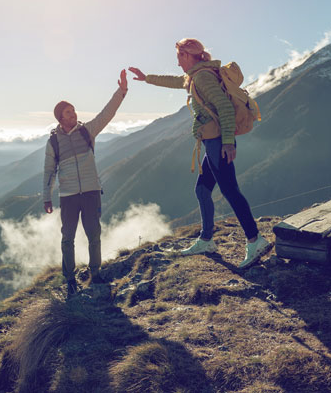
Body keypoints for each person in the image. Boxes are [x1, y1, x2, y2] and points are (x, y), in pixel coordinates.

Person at [128, 38, 270, 269]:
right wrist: (147, 78)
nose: (177, 64)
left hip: (217, 142)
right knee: (202, 190)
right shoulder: (198, 74)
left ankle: (255, 240)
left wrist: (227, 143)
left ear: (186, 56)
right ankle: (206, 240)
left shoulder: (202, 77)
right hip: (213, 140)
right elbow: (176, 81)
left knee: (230, 190)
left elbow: (224, 107)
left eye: (178, 58)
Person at [43, 69, 128, 296]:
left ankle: (95, 273)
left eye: (73, 111)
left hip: (90, 191)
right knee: (67, 238)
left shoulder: (86, 131)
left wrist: (121, 91)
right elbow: (49, 171)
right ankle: (70, 279)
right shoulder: (53, 142)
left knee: (94, 234)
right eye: (68, 112)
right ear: (60, 118)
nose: (73, 114)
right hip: (68, 196)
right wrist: (46, 197)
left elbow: (106, 114)